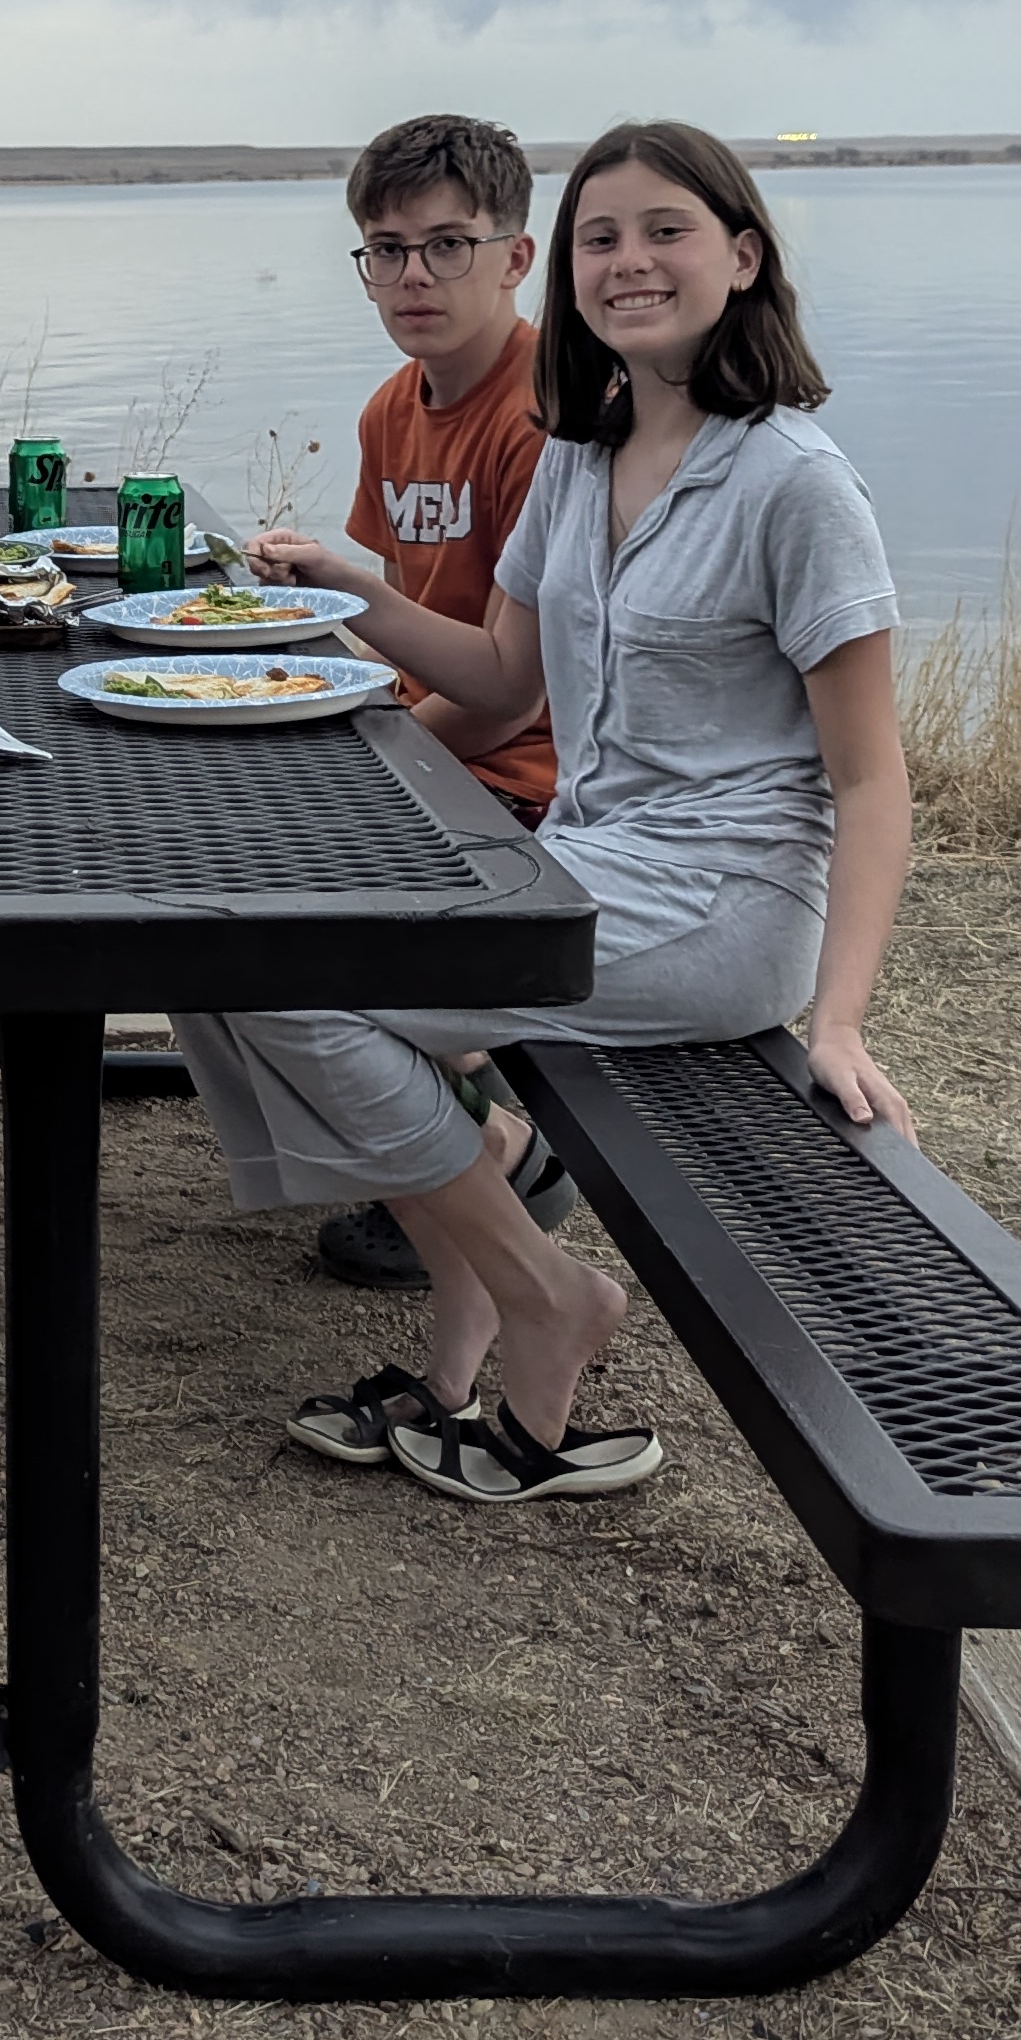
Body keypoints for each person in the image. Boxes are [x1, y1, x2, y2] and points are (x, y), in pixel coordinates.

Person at [172, 120, 915, 1509]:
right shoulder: (582, 452)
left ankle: (546, 1295)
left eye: (666, 231)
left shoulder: (795, 484)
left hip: (717, 903)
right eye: (602, 237)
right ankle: (473, 1323)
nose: (629, 261)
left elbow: (871, 781)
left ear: (744, 257)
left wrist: (840, 1021)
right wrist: (355, 590)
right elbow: (506, 676)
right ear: (567, 270)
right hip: (573, 867)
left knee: (280, 970)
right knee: (220, 941)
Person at [320, 113, 563, 1295]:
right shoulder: (390, 410)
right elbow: (406, 620)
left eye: (447, 245)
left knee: (277, 921)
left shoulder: (547, 418)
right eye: (386, 249)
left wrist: (386, 768)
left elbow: (520, 691)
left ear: (515, 258)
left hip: (523, 782)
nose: (413, 276)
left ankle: (489, 1146)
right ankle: (430, 1132)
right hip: (429, 746)